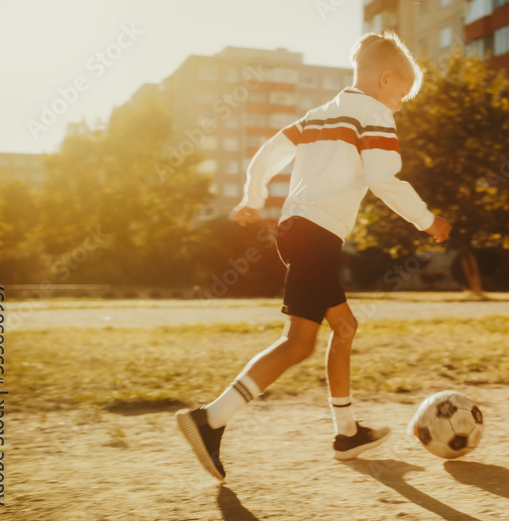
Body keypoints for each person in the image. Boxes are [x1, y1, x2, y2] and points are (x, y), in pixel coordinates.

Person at [176, 31, 451, 480]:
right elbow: (384, 179)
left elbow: (266, 154)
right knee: (298, 343)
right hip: (318, 235)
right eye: (401, 95)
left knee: (343, 327)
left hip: (295, 230)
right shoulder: (376, 114)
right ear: (385, 80)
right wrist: (427, 220)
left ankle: (347, 434)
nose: (399, 105)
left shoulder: (319, 115)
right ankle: (209, 420)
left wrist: (254, 196)